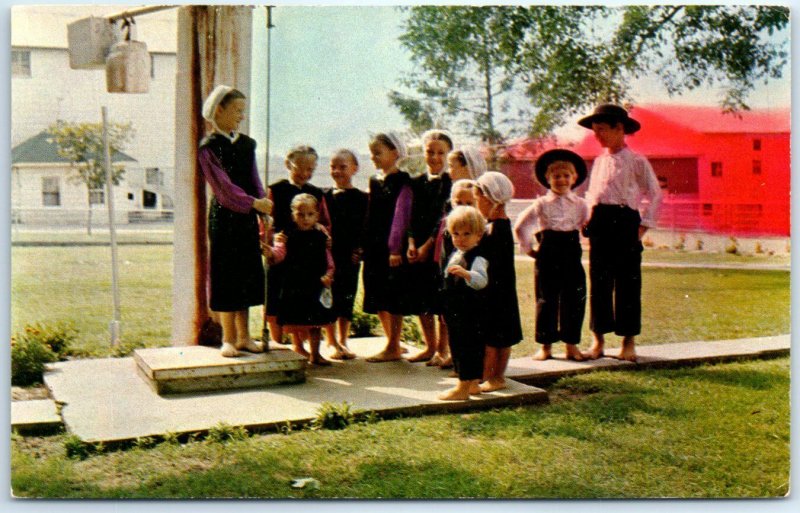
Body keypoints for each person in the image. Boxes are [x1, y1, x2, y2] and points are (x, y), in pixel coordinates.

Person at [578, 104, 662, 362]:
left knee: (628, 282)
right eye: (595, 131)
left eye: (602, 129)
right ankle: (598, 341)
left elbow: (655, 193)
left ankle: (628, 343)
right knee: (599, 281)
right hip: (600, 221)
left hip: (626, 220)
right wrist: (586, 217)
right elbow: (592, 193)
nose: (598, 136)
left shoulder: (637, 161)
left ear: (620, 129)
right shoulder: (600, 161)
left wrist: (643, 224)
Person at [198, 85, 272, 358]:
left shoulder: (247, 144)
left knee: (247, 276)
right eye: (237, 110)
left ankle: (244, 336)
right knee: (226, 277)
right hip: (224, 219)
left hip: (247, 220)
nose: (242, 116)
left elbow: (253, 179)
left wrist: (263, 204)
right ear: (220, 109)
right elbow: (224, 189)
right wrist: (253, 203)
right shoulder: (209, 148)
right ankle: (228, 338)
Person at [514, 149, 589, 361]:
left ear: (574, 178)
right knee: (546, 299)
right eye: (556, 176)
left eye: (566, 175)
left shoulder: (582, 205)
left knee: (574, 298)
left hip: (572, 252)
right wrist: (529, 249)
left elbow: (586, 226)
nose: (562, 180)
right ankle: (545, 346)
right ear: (548, 179)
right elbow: (520, 226)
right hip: (548, 253)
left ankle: (571, 345)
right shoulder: (541, 204)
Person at [266, 145, 330, 348]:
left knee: (305, 301)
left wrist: (326, 235)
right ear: (288, 164)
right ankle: (277, 344)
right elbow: (265, 221)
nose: (305, 173)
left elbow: (325, 222)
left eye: (310, 169)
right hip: (282, 251)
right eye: (300, 167)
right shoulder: (276, 189)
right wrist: (271, 240)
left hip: (307, 256)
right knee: (276, 299)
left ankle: (301, 346)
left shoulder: (316, 193)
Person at [362, 132, 414, 362]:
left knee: (393, 297)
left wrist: (394, 248)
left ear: (395, 153)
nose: (373, 157)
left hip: (392, 248)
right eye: (372, 153)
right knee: (377, 295)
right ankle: (391, 341)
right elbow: (371, 213)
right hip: (374, 246)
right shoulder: (375, 180)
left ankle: (393, 344)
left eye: (378, 153)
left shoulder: (403, 181)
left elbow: (401, 216)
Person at [268, 194, 335, 366]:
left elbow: (328, 259)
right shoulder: (286, 236)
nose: (306, 219)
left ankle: (315, 353)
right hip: (295, 284)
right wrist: (270, 252)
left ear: (317, 215)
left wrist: (329, 274)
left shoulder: (321, 235)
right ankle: (297, 348)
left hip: (316, 283)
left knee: (316, 323)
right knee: (296, 319)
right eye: (301, 215)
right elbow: (279, 254)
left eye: (310, 214)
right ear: (293, 215)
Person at [406, 129, 454, 363]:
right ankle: (429, 346)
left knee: (441, 301)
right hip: (418, 249)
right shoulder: (415, 183)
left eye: (440, 153)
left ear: (447, 155)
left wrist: (427, 245)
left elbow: (443, 219)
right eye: (430, 152)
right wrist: (412, 242)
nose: (434, 157)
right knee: (421, 299)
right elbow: (410, 217)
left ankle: (443, 349)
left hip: (439, 249)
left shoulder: (451, 183)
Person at [474, 172, 523, 391]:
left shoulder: (493, 229)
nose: (476, 203)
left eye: (477, 198)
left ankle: (492, 376)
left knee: (493, 338)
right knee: (502, 336)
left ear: (488, 198)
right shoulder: (502, 225)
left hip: (494, 291)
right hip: (504, 290)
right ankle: (496, 376)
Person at [438, 206, 489, 401]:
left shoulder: (478, 257)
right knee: (458, 345)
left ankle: (463, 385)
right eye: (455, 234)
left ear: (478, 235)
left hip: (469, 312)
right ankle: (473, 384)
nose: (460, 238)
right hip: (455, 310)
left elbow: (481, 280)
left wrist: (466, 274)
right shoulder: (456, 253)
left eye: (467, 234)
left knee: (466, 347)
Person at [428, 178, 479, 369]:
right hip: (449, 278)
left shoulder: (476, 227)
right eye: (459, 203)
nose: (463, 207)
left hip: (467, 280)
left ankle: (467, 363)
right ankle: (451, 354)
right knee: (448, 318)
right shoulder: (449, 225)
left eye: (469, 203)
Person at [323, 149, 368, 360]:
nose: (337, 171)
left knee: (347, 296)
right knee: (329, 296)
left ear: (355, 168)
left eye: (343, 167)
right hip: (329, 255)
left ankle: (343, 340)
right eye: (333, 166)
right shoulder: (324, 197)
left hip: (350, 256)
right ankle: (331, 341)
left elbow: (366, 227)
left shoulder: (363, 198)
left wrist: (360, 249)